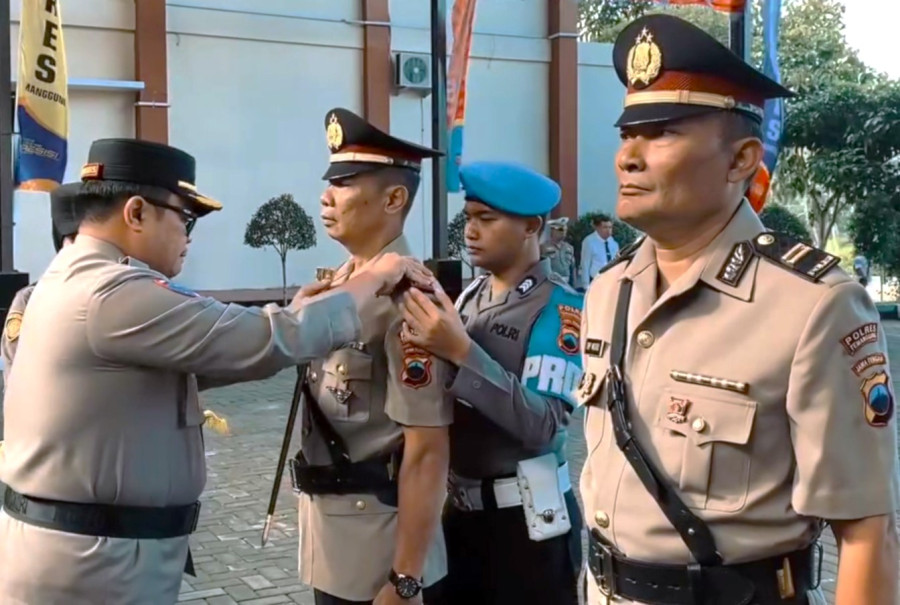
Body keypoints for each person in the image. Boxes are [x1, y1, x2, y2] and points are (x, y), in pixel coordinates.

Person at [0, 137, 431, 605]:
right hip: (92, 563)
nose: (188, 237)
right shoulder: (111, 293)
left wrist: (299, 311)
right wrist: (375, 278)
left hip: (91, 553)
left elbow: (204, 356)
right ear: (137, 212)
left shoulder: (70, 280)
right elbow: (263, 341)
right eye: (184, 219)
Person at [579, 14, 899, 605]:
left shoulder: (812, 305)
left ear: (741, 160)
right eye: (627, 134)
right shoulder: (608, 290)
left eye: (662, 133)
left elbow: (867, 536)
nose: (628, 157)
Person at [398, 160, 584, 604]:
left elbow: (543, 425)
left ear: (531, 227)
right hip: (460, 518)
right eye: (469, 217)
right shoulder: (469, 296)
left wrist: (463, 352)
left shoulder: (559, 309)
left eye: (486, 218)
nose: (470, 231)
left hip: (526, 529)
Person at [290, 108, 453, 605]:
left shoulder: (407, 298)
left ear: (394, 199)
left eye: (343, 183)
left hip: (380, 551)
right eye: (329, 182)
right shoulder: (340, 285)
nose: (326, 196)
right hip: (333, 540)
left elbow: (427, 450)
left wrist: (405, 579)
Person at [580, 213, 619, 289]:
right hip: (596, 280)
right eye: (605, 227)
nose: (608, 230)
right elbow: (585, 264)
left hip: (610, 281)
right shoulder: (589, 241)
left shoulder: (613, 243)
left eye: (610, 227)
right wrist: (586, 285)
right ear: (597, 228)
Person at [541, 216, 577, 287]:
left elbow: (572, 268)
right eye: (560, 230)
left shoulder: (569, 248)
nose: (563, 232)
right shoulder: (544, 247)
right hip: (552, 283)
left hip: (567, 283)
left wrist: (574, 285)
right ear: (553, 231)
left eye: (565, 229)